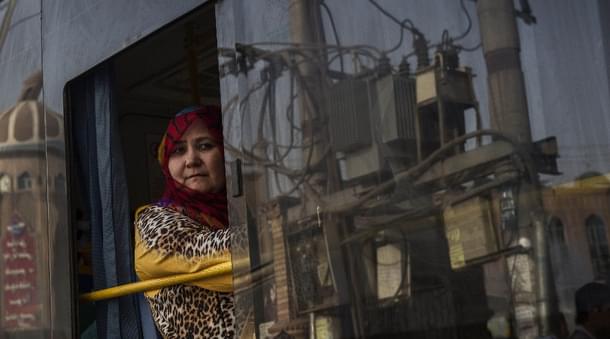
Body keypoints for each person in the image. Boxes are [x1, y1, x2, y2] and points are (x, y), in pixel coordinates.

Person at [134, 105, 234, 338]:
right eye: (178, 150)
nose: (191, 160)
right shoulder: (153, 221)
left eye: (205, 146)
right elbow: (222, 253)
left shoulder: (239, 212)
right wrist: (280, 228)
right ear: (166, 163)